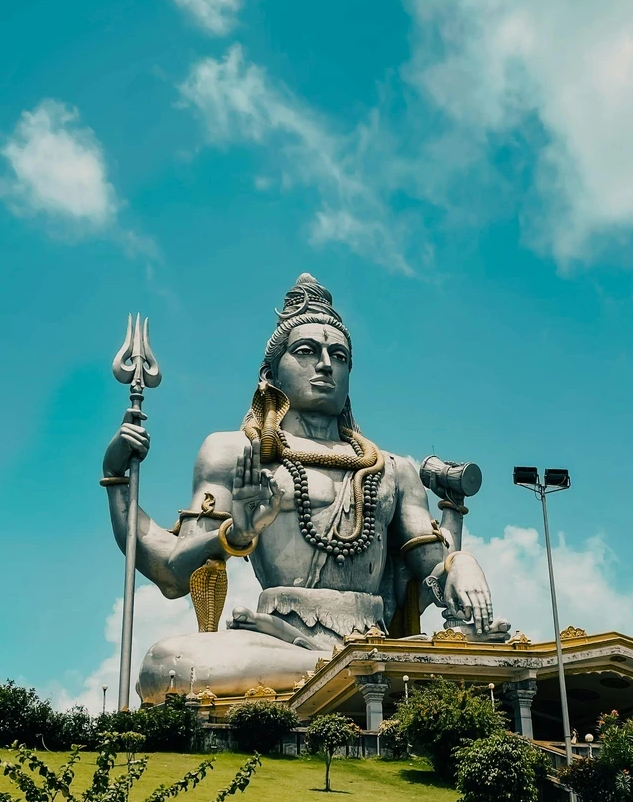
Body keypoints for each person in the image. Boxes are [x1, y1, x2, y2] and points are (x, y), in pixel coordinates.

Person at [102, 274, 507, 700]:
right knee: (166, 665)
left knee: (485, 640)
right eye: (307, 351)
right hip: (275, 642)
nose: (326, 364)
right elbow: (171, 572)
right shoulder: (237, 452)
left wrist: (461, 563)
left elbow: (431, 572)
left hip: (373, 633)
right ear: (272, 372)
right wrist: (120, 483)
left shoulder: (393, 468)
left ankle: (359, 666)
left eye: (339, 355)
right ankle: (358, 669)